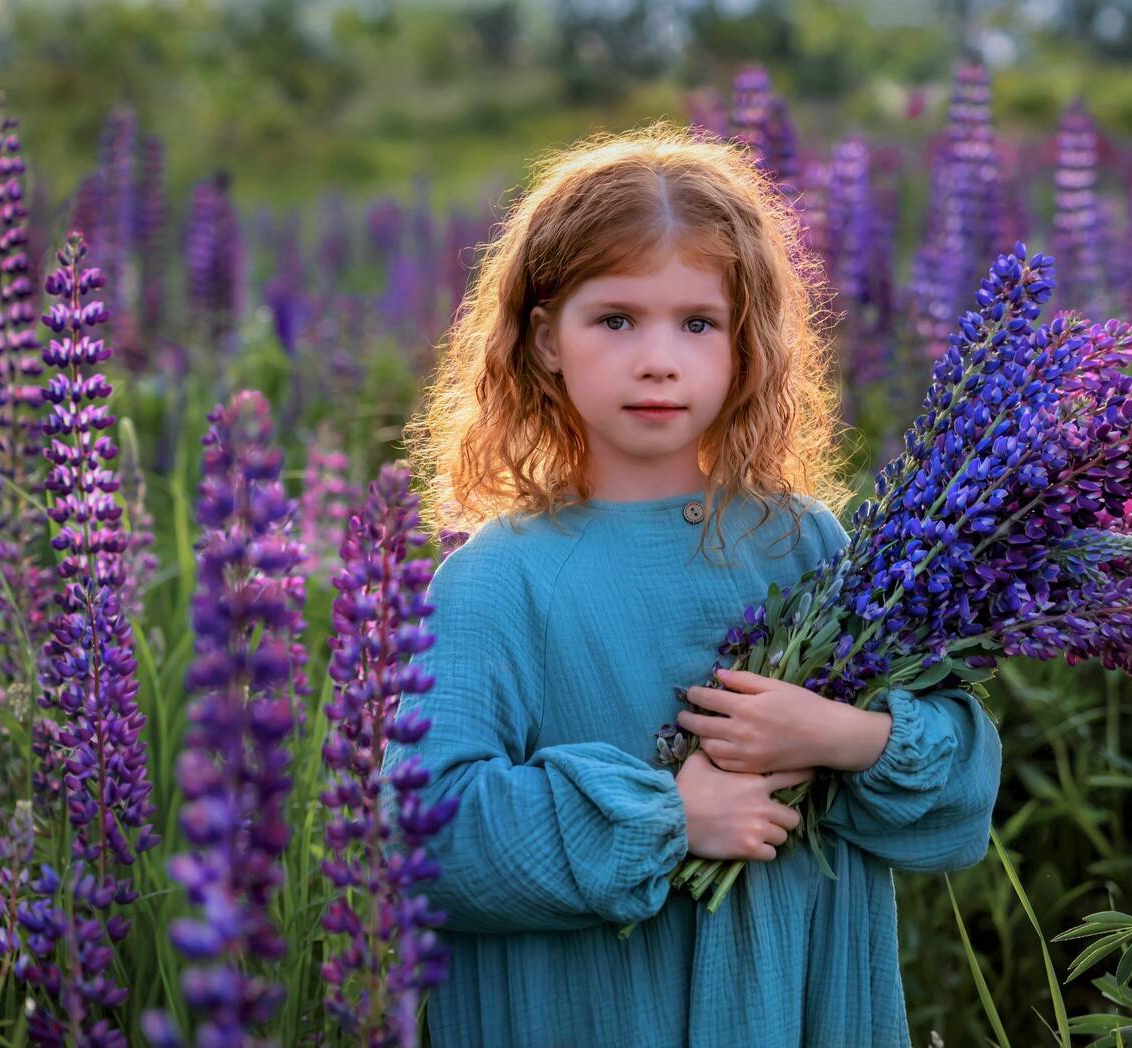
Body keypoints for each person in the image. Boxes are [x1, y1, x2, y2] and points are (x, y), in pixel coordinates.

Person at [386, 119, 1002, 1048]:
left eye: (698, 323)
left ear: (746, 345)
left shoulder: (805, 545)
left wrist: (844, 735)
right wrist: (669, 816)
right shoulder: (497, 579)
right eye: (617, 319)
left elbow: (959, 797)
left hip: (798, 1009)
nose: (659, 358)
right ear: (547, 338)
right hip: (592, 1014)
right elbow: (426, 838)